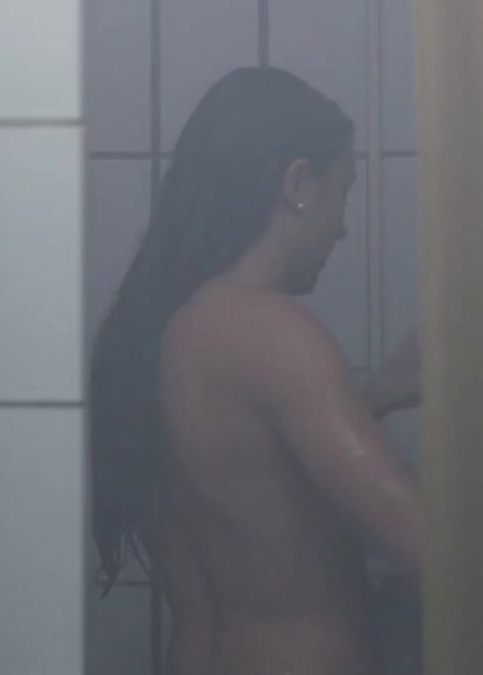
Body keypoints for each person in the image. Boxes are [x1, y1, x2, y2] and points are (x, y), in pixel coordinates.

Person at [90, 67, 424, 675]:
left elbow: (246, 474)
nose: (343, 226)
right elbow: (424, 544)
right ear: (298, 185)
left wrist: (379, 394)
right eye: (342, 192)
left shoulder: (159, 331)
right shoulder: (272, 332)